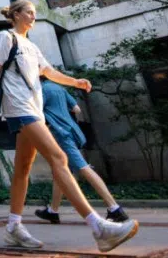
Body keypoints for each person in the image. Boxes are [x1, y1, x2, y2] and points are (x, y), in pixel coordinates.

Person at [0, 0, 138, 253]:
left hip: (34, 108)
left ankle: (13, 227)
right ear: (16, 14)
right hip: (18, 107)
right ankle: (99, 228)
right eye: (29, 12)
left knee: (22, 169)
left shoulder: (31, 45)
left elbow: (50, 73)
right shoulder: (5, 37)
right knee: (59, 157)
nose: (33, 16)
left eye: (34, 13)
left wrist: (76, 82)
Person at [34, 76, 129, 225]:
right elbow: (76, 109)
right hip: (73, 131)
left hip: (61, 134)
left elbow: (36, 113)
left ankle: (114, 208)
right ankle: (53, 211)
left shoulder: (41, 90)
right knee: (60, 171)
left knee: (83, 168)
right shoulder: (59, 88)